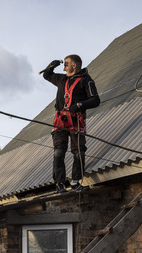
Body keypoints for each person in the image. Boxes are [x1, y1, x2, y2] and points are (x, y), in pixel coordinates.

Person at [42, 54, 100, 192]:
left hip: (76, 120)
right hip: (60, 120)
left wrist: (80, 104)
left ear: (74, 65)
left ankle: (75, 182)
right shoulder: (61, 79)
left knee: (78, 152)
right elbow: (46, 75)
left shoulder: (86, 80)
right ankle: (59, 184)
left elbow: (96, 100)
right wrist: (51, 66)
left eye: (66, 64)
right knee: (59, 152)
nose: (64, 67)